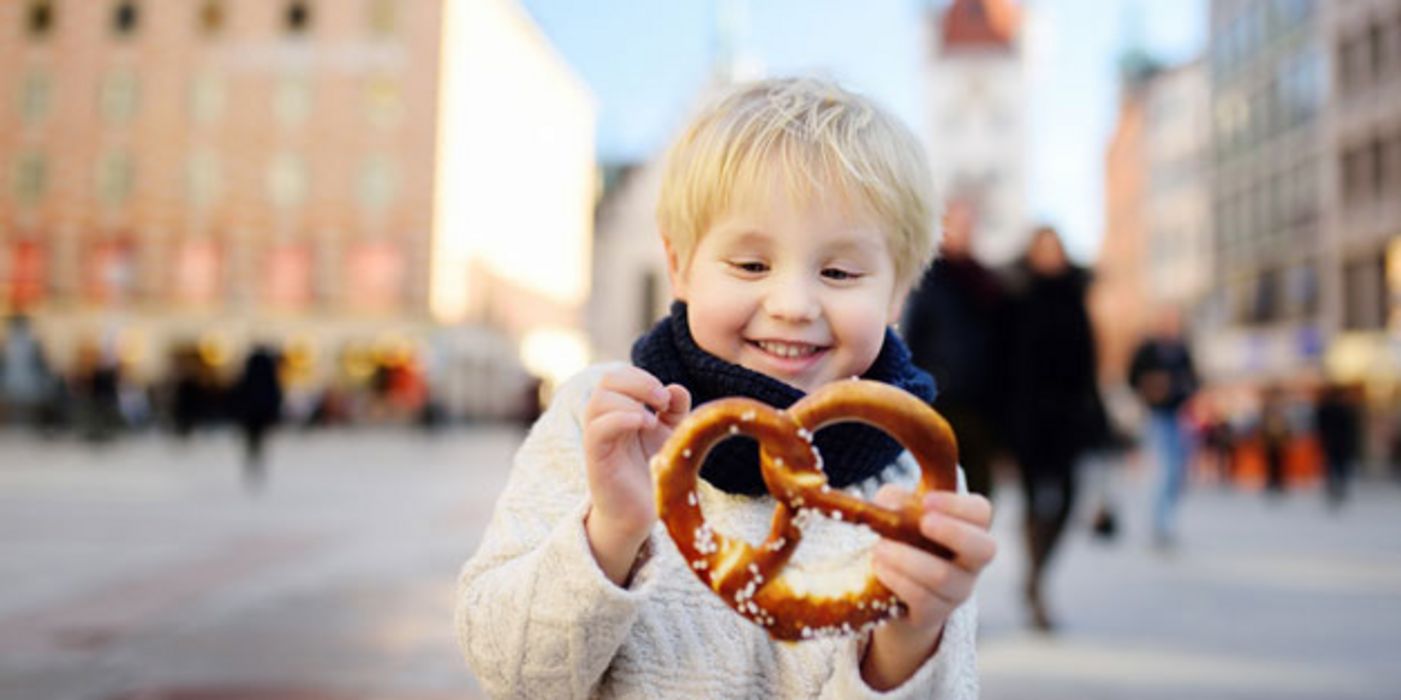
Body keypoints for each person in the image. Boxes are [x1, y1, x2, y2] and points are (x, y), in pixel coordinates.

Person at [456, 78, 995, 698]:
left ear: (897, 293)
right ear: (680, 264)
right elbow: (509, 672)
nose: (793, 304)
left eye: (840, 271)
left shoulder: (914, 488)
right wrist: (610, 531)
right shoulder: (600, 422)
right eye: (751, 264)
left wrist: (908, 639)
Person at [1003, 226, 1103, 632]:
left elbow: (1088, 362)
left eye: (1055, 248)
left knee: (1067, 501)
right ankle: (1037, 587)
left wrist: (1096, 414)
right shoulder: (1018, 297)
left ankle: (1035, 573)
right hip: (1027, 417)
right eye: (1042, 249)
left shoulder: (1075, 295)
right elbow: (1006, 363)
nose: (1050, 256)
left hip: (1069, 418)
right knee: (1032, 502)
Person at [901, 200, 1008, 500]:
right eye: (957, 225)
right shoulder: (928, 280)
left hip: (981, 405)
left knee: (979, 492)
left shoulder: (986, 284)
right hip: (940, 400)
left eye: (969, 225)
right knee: (939, 488)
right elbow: (914, 340)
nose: (963, 232)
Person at [1127, 306, 1199, 549]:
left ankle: (1166, 522)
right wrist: (1150, 389)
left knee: (1177, 473)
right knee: (1164, 471)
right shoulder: (1148, 350)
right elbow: (1133, 378)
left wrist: (1178, 387)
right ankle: (1160, 525)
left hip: (1178, 415)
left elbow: (1195, 380)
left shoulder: (1181, 350)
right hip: (1156, 416)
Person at [230, 345, 283, 491]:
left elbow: (240, 392)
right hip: (260, 412)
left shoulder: (250, 372)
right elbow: (274, 394)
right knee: (258, 439)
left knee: (252, 439)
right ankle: (257, 462)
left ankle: (253, 462)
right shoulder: (268, 373)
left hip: (251, 413)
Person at [1314, 383, 1359, 509]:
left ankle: (1334, 487)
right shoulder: (1345, 409)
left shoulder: (1326, 408)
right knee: (1339, 466)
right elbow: (1351, 429)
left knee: (1332, 465)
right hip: (1340, 442)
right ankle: (1338, 487)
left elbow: (1320, 426)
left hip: (1331, 442)